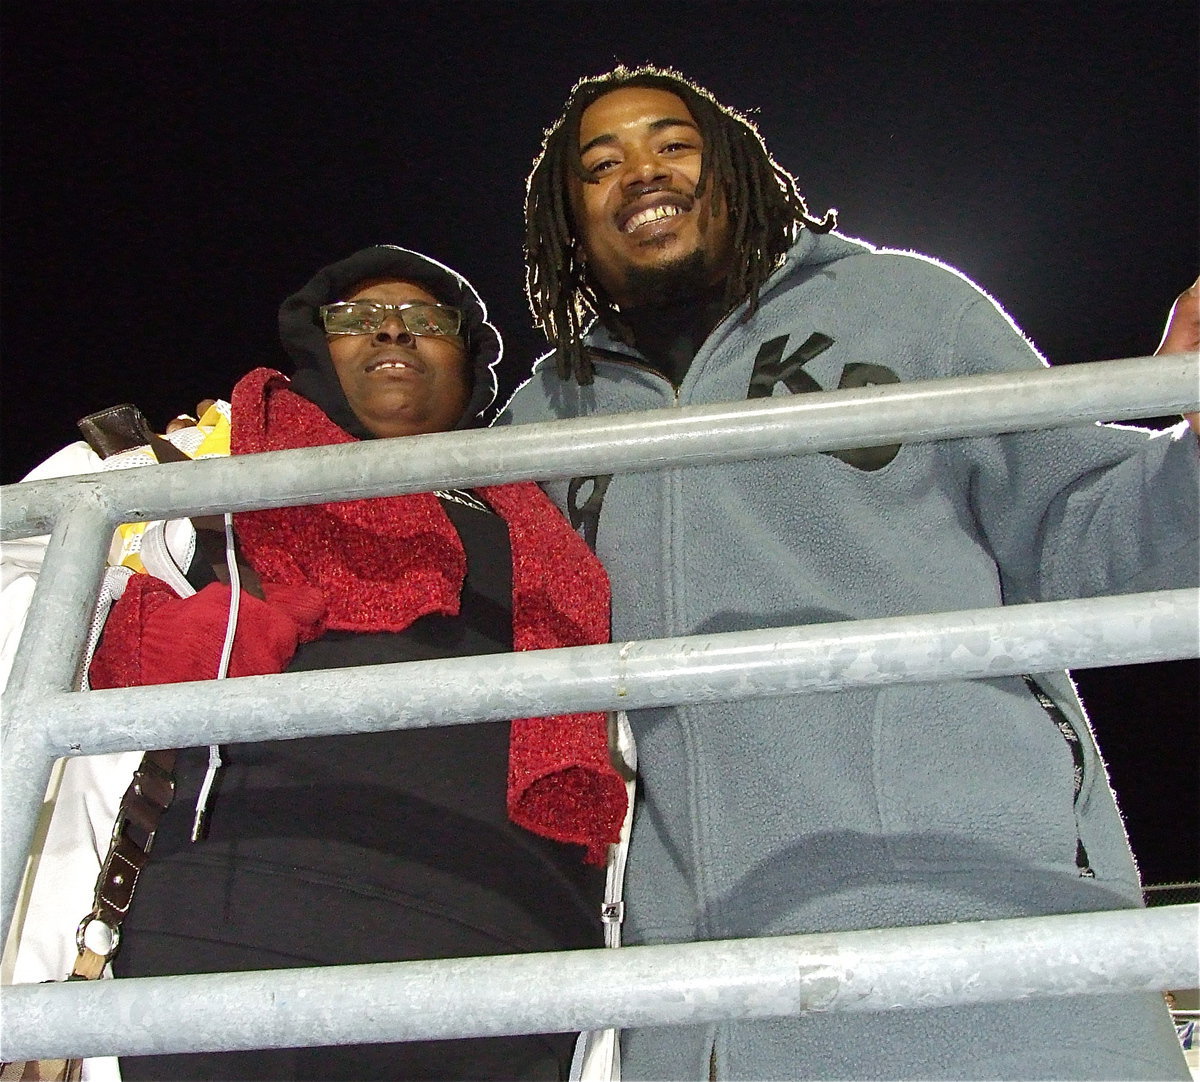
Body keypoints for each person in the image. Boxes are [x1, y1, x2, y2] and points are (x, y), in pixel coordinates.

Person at [498, 65, 1199, 1080]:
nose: (639, 173)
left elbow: (1087, 527)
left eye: (672, 143)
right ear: (571, 224)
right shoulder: (544, 417)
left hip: (994, 955)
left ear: (736, 170)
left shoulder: (902, 305)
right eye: (597, 168)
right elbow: (443, 603)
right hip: (705, 1010)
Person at [4, 245, 628, 1081]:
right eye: (357, 318)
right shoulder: (191, 461)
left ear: (473, 361)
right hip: (215, 946)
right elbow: (17, 566)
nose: (394, 329)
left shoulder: (555, 525)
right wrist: (123, 628)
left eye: (428, 319)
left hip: (504, 970)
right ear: (313, 343)